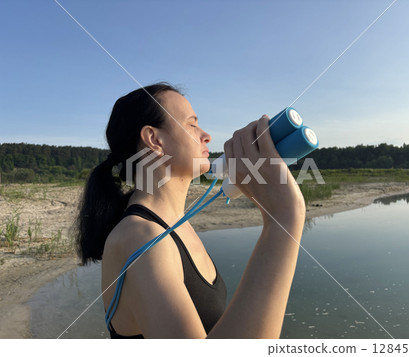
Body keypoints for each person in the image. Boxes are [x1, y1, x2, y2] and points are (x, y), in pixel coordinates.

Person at [75, 82, 306, 338]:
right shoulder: (139, 238)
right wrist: (284, 220)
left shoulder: (174, 226)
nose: (206, 135)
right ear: (154, 139)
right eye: (192, 124)